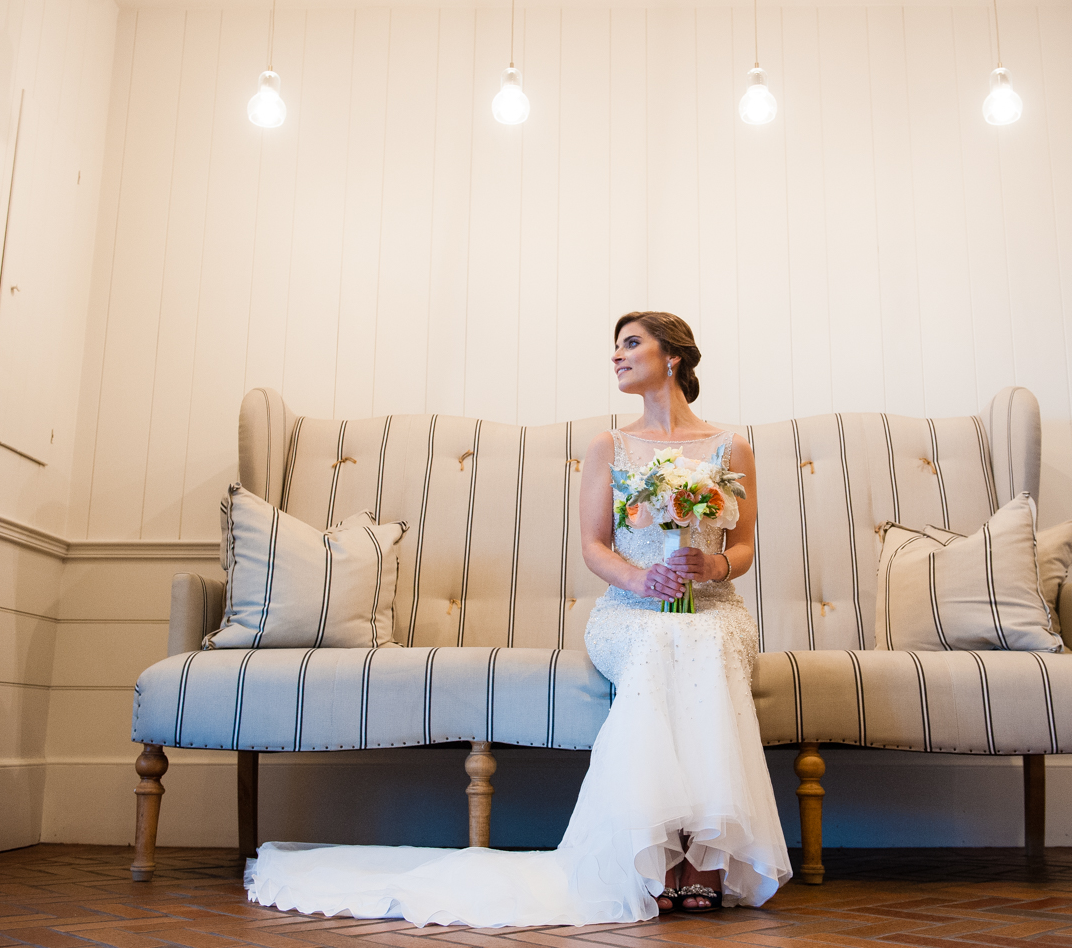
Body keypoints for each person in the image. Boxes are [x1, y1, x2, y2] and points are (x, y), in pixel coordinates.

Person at [245, 311, 791, 927]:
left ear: (674, 357)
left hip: (712, 609)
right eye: (614, 347)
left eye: (631, 344)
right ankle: (661, 858)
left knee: (705, 639)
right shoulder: (608, 446)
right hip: (629, 612)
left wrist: (711, 564)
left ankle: (706, 853)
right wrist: (645, 580)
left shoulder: (730, 447)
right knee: (662, 642)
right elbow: (594, 547)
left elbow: (743, 549)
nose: (616, 356)